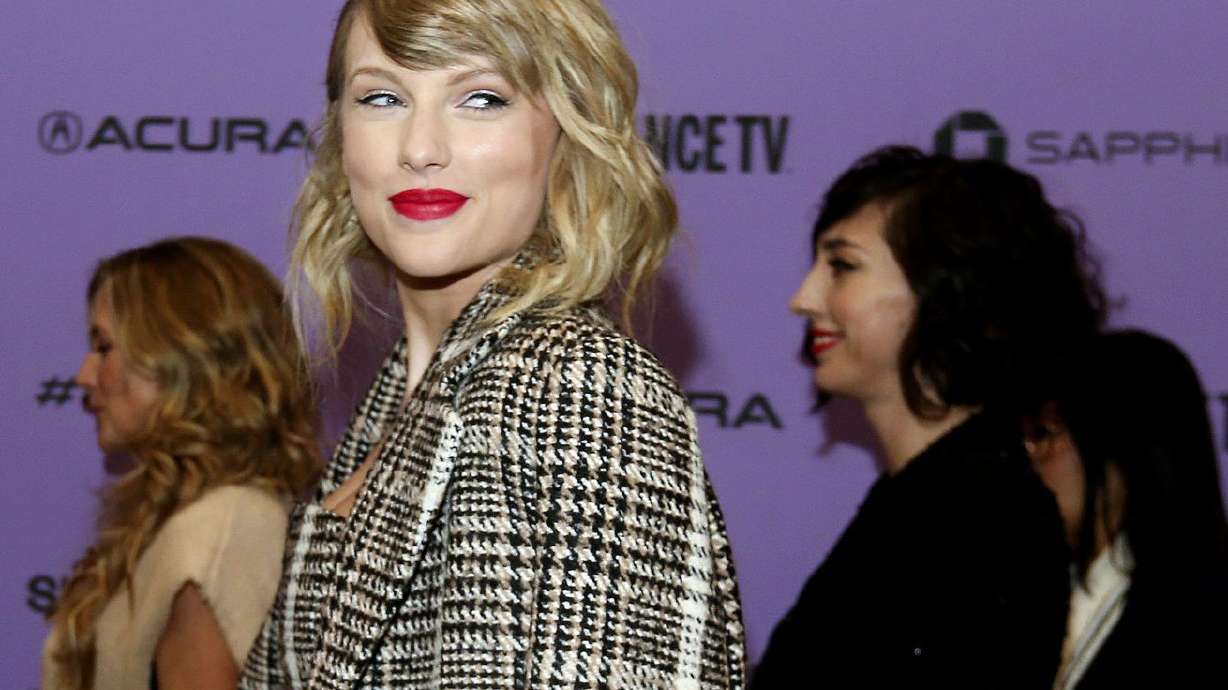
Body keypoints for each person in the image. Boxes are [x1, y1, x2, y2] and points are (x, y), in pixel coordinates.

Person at [239, 1, 745, 688]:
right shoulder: (393, 407)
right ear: (340, 139)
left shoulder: (581, 386)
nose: (420, 147)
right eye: (382, 98)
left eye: (481, 98)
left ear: (566, 131)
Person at [753, 146, 1106, 688]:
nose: (803, 299)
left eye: (842, 266)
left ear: (946, 288)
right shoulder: (929, 495)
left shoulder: (981, 513)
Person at [42, 237, 322, 690]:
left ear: (182, 359)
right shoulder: (188, 520)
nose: (84, 376)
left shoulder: (223, 523)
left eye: (104, 347)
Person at [1024, 329, 1228, 689]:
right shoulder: (1033, 599)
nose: (1029, 456)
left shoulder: (1193, 625)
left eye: (1043, 434)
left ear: (1121, 449)